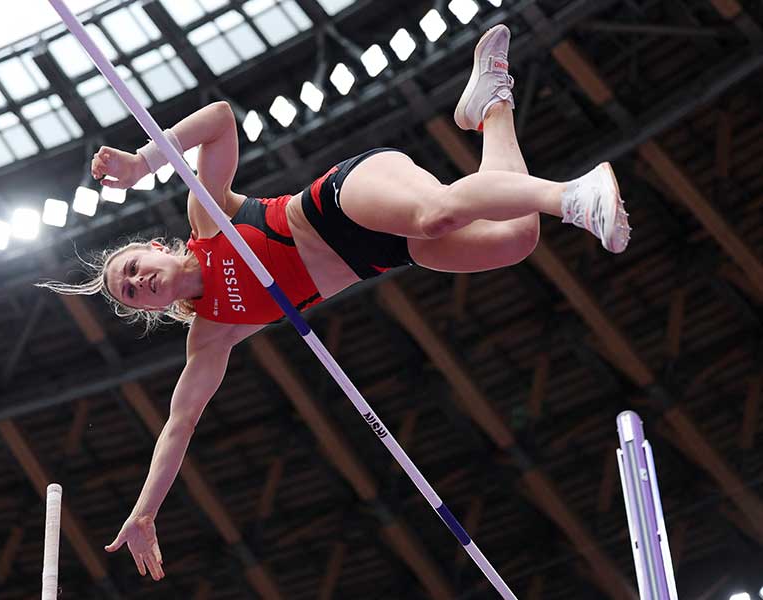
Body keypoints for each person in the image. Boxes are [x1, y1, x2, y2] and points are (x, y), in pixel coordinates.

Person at [39, 24, 630, 581]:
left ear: (154, 248)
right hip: (379, 254)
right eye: (131, 292)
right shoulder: (212, 332)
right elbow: (179, 424)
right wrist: (145, 511)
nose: (139, 282)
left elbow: (220, 119)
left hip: (344, 199)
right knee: (515, 238)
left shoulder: (206, 215)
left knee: (440, 212)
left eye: (134, 268)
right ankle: (492, 102)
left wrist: (146, 162)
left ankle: (574, 197)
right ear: (145, 309)